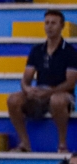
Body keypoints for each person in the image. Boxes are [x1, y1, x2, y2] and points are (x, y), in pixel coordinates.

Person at [8, 10, 77, 154]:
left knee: (57, 100)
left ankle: (62, 145)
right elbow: (26, 78)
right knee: (13, 100)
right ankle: (25, 143)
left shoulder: (70, 52)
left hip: (62, 95)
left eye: (53, 23)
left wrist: (49, 92)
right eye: (47, 23)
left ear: (62, 26)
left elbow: (70, 83)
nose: (49, 26)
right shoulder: (37, 50)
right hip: (40, 93)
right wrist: (27, 89)